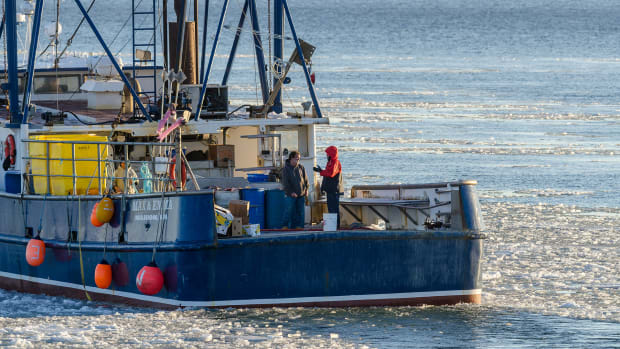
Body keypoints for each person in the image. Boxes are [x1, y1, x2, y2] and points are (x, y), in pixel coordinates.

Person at [313, 146, 343, 229]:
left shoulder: (335, 162)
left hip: (334, 190)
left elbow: (331, 173)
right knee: (331, 208)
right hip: (330, 190)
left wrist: (321, 171)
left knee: (334, 209)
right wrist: (321, 171)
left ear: (331, 154)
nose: (326, 155)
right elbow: (328, 174)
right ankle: (333, 226)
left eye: (327, 154)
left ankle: (336, 226)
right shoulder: (331, 162)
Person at [281, 151, 309, 229]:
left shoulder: (301, 167)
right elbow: (285, 183)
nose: (297, 161)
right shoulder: (285, 169)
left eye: (299, 159)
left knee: (300, 212)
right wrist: (291, 192)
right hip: (291, 195)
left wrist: (306, 189)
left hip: (301, 194)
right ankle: (285, 226)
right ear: (291, 158)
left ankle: (299, 226)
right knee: (288, 211)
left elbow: (306, 180)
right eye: (296, 159)